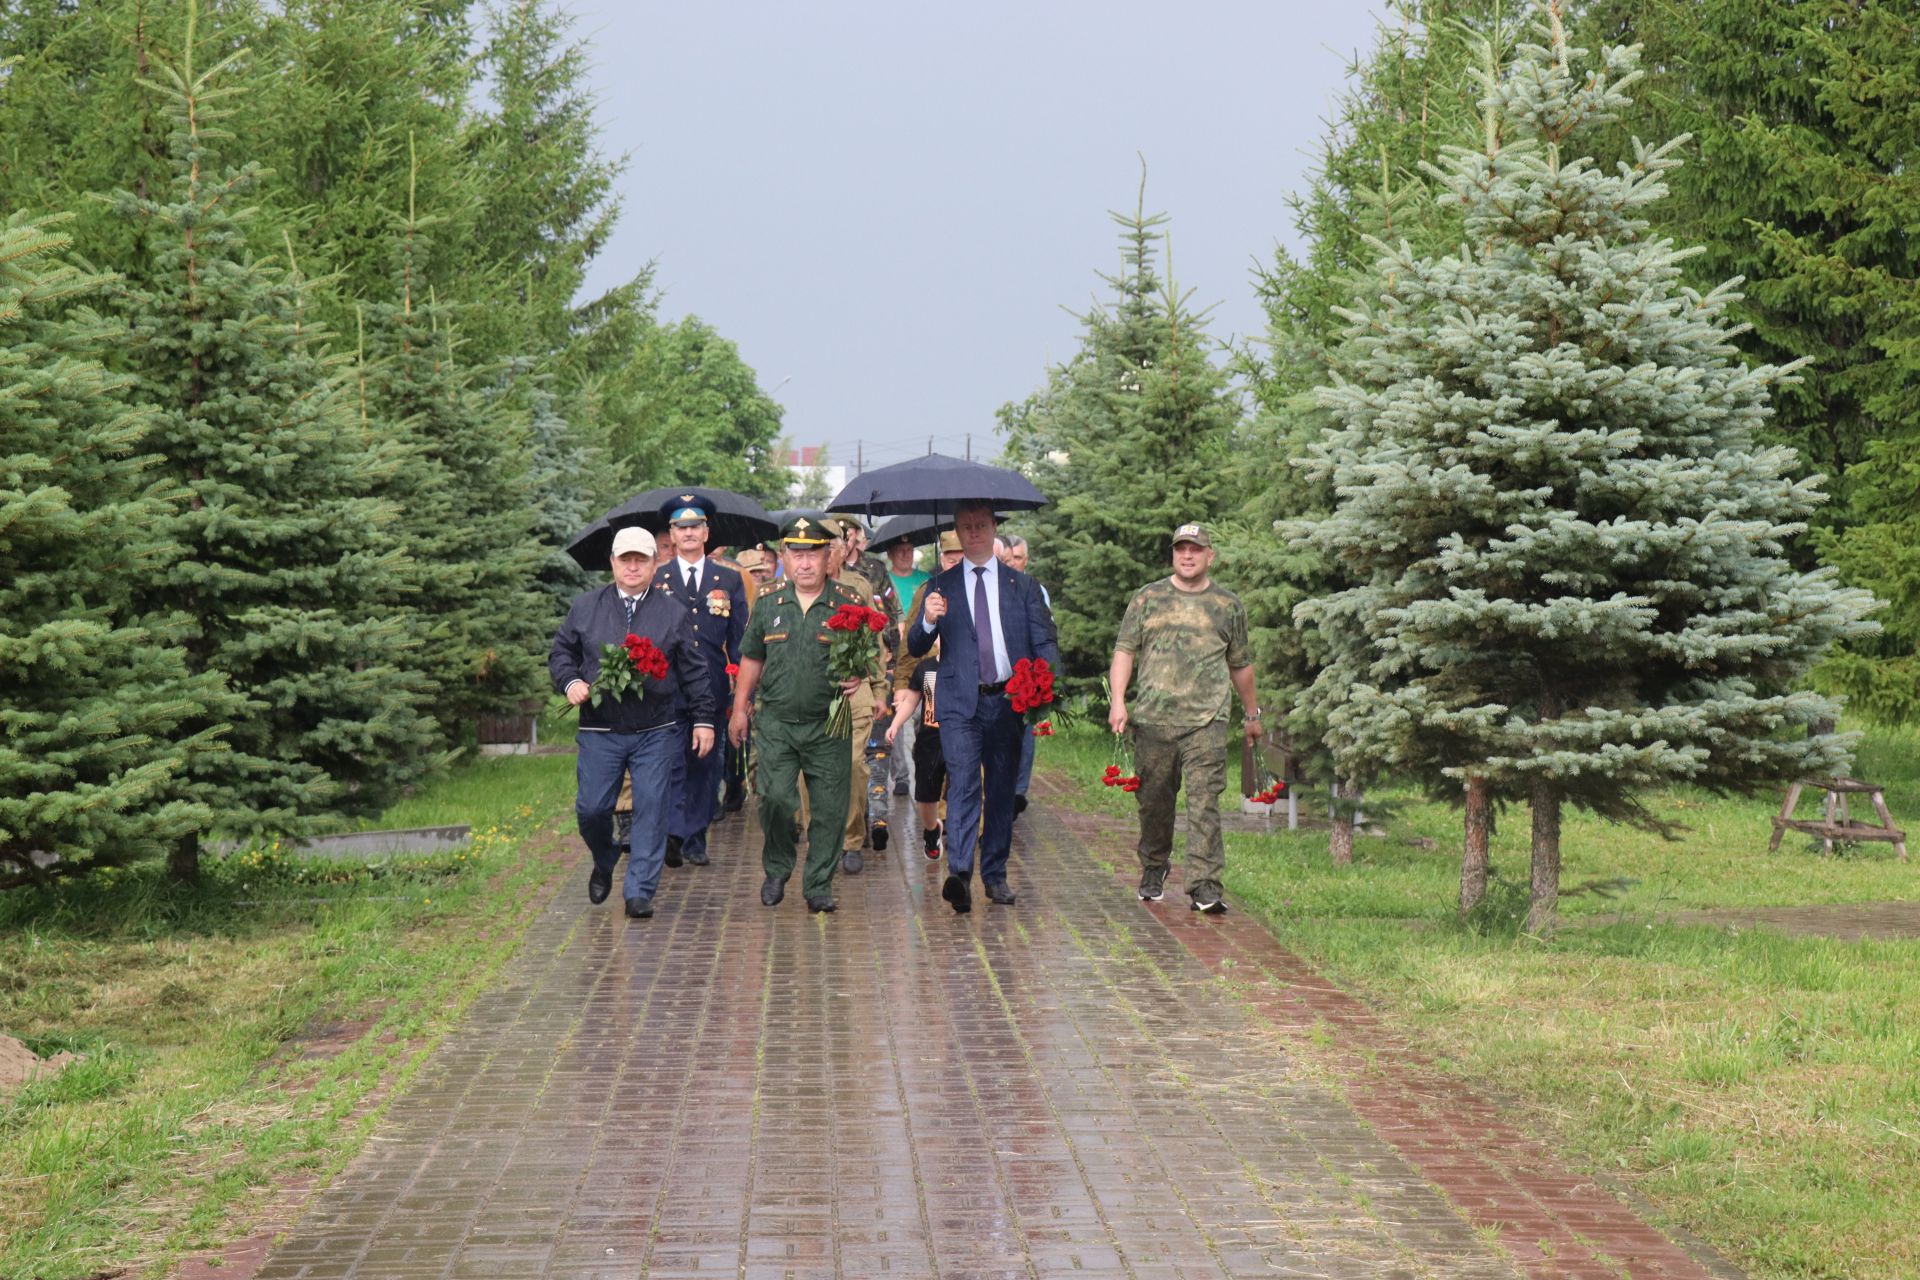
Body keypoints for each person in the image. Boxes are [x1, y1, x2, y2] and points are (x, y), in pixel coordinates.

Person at [550, 526, 715, 919]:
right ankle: (604, 855)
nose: (633, 566)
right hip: (600, 729)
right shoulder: (586, 607)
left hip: (655, 730)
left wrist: (704, 719)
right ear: (612, 563)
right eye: (626, 559)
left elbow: (694, 671)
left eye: (641, 558)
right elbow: (561, 653)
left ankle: (639, 889)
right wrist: (571, 682)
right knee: (592, 809)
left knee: (652, 808)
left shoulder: (672, 613)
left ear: (655, 564)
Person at [908, 501, 1061, 914]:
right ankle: (959, 873)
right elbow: (914, 646)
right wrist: (927, 618)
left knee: (1000, 789)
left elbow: (1044, 640)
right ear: (957, 530)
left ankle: (994, 873)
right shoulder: (941, 585)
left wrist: (1049, 683)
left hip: (1008, 701)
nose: (973, 532)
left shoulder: (1022, 587)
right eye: (966, 526)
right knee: (962, 782)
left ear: (994, 528)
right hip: (959, 701)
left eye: (981, 525)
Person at [1108, 522, 1260, 914]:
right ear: (1173, 554)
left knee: (1205, 803)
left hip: (1207, 721)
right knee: (1154, 803)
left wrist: (1251, 713)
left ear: (1211, 556)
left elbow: (1240, 664)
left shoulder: (1228, 605)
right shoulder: (1148, 599)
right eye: (1181, 549)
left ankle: (1204, 885)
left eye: (1195, 549)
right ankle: (1154, 866)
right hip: (1154, 721)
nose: (1187, 556)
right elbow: (1125, 651)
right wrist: (1119, 702)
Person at [729, 516, 874, 913]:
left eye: (813, 554)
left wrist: (857, 674)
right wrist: (739, 709)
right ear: (786, 559)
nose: (805, 563)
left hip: (828, 723)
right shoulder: (769, 599)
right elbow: (752, 657)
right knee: (774, 799)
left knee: (829, 808)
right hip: (775, 722)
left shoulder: (849, 602)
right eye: (797, 555)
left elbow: (867, 656)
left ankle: (818, 884)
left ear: (828, 557)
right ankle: (777, 867)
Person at [652, 496, 749, 866]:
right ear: (672, 535)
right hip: (666, 686)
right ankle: (675, 832)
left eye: (695, 526)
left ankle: (695, 836)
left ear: (706, 532)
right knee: (671, 762)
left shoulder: (729, 579)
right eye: (681, 527)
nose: (689, 533)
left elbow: (740, 638)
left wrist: (743, 690)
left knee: (705, 766)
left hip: (711, 686)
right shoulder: (657, 578)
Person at [826, 518, 896, 870]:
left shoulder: (860, 586)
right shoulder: (791, 588)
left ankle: (852, 839)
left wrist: (880, 688)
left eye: (832, 545)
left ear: (844, 547)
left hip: (856, 692)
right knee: (813, 774)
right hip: (811, 696)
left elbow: (875, 640)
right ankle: (825, 835)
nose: (825, 554)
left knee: (853, 765)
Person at [995, 532, 1050, 818]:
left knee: (1026, 733)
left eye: (1018, 558)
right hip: (1000, 675)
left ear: (1025, 560)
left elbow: (1044, 633)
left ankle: (1018, 790)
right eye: (1009, 558)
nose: (1013, 563)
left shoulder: (1035, 590)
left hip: (1027, 674)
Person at [883, 648, 948, 861]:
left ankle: (957, 841)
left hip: (962, 738)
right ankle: (931, 829)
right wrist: (895, 725)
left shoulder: (970, 663)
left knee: (960, 792)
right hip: (930, 739)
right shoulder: (926, 667)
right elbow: (911, 701)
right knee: (926, 797)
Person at [880, 534, 930, 797]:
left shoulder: (926, 580)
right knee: (898, 713)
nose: (906, 554)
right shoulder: (885, 581)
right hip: (900, 660)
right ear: (890, 553)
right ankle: (900, 775)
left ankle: (925, 765)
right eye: (900, 550)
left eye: (910, 549)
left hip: (928, 659)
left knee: (928, 718)